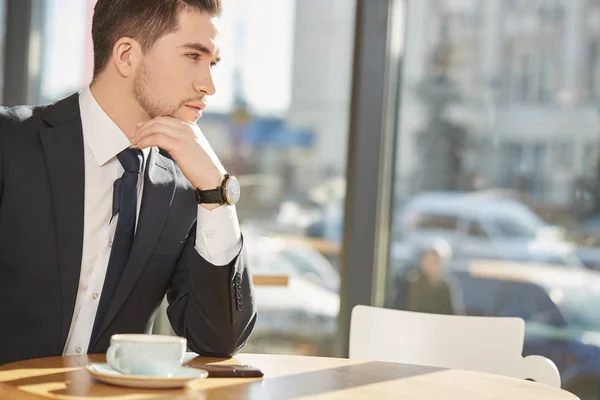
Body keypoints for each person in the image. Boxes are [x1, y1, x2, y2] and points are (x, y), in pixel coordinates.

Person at [0, 0, 256, 366]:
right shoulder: (10, 143)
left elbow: (217, 339)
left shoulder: (187, 185)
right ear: (125, 55)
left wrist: (217, 193)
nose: (209, 85)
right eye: (193, 57)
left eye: (212, 63)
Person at [406, 243, 455, 315]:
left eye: (435, 262)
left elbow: (450, 312)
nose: (432, 265)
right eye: (429, 261)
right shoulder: (414, 283)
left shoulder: (446, 286)